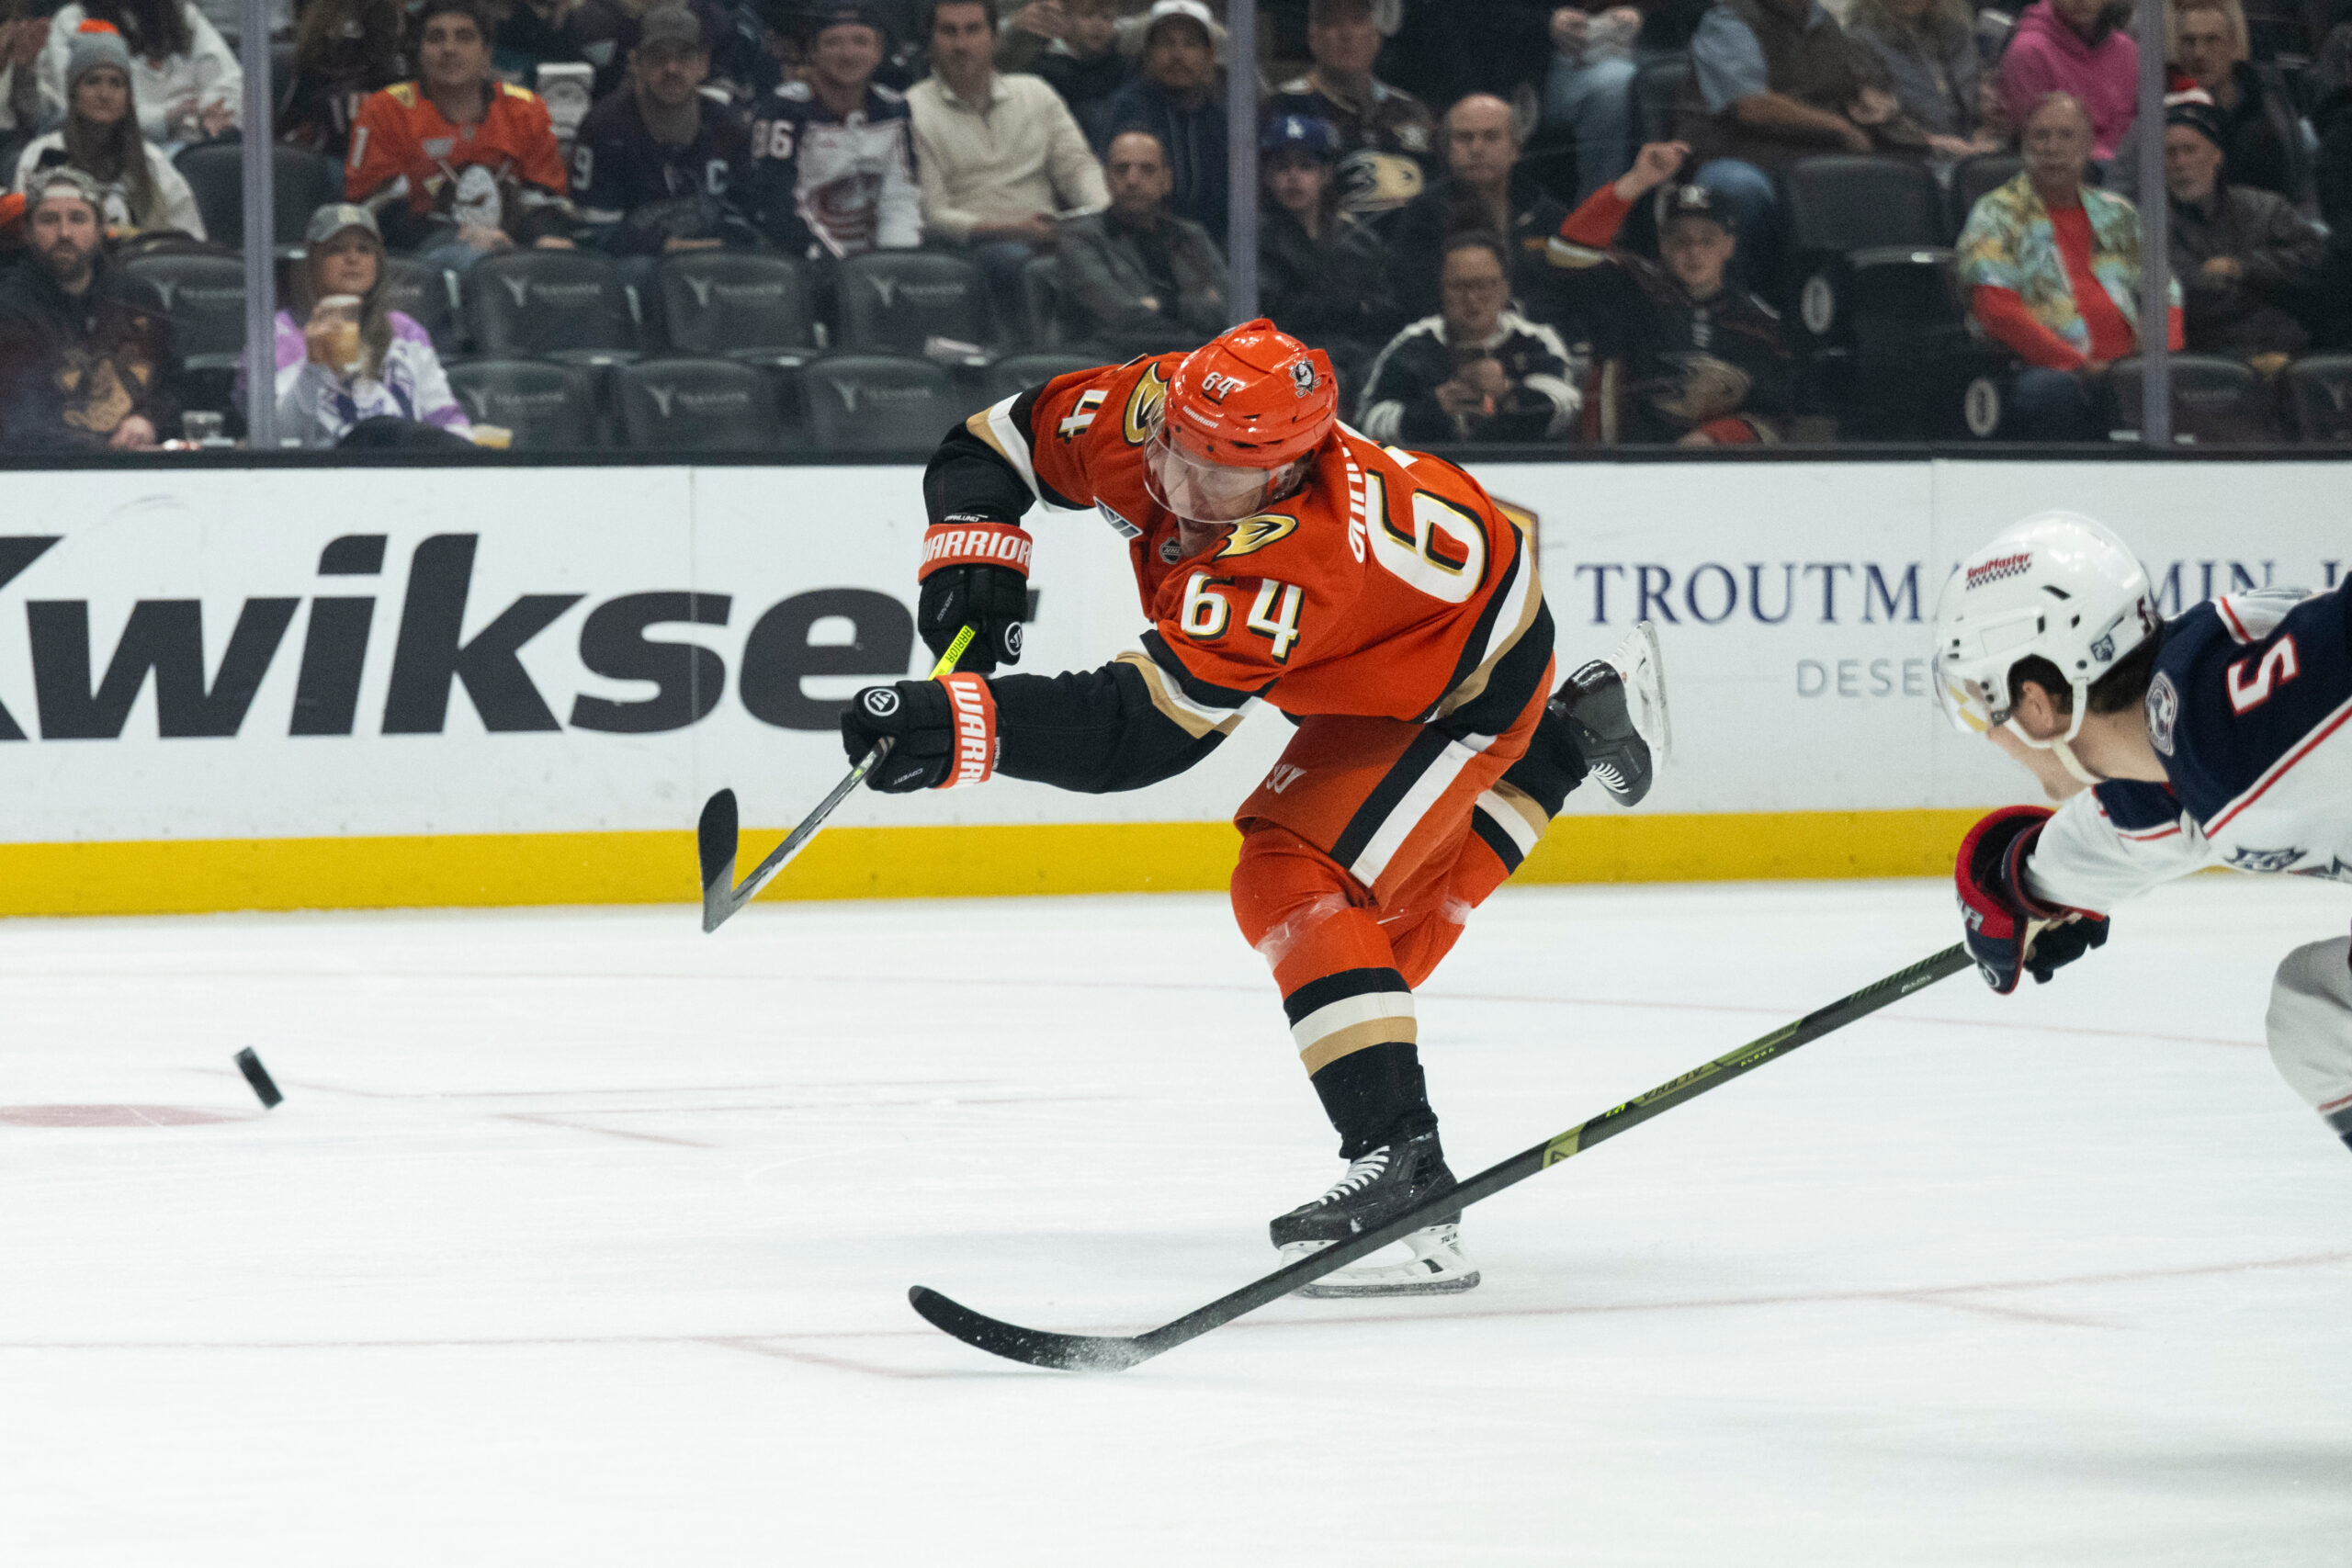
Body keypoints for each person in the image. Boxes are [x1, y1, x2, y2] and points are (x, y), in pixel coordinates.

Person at [838, 316, 1667, 1295]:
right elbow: (996, 440)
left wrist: (963, 727)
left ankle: (1405, 1165)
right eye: (1175, 455)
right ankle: (1567, 744)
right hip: (1375, 654)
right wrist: (976, 559)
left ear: (1288, 472)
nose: (1182, 495)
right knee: (1360, 964)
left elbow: (1136, 732)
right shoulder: (1150, 411)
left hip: (1459, 681)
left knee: (1303, 898)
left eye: (1220, 480)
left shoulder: (1294, 556)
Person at [1932, 511, 2352, 1164]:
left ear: (2037, 703)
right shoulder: (2186, 712)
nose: (1987, 732)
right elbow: (2146, 817)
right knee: (2315, 1012)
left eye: (1981, 706)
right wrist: (2022, 882)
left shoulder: (2233, 745)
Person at [1956, 93, 2180, 440]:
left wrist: (2161, 354)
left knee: (2189, 383)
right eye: (2041, 136)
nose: (2052, 147)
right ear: (2023, 146)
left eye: (2065, 135)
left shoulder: (2117, 212)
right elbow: (1994, 309)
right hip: (2043, 368)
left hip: (2128, 368)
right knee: (2053, 391)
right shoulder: (1996, 213)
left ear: (2090, 144)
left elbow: (2166, 290)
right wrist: (2080, 365)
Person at [1548, 141, 1790, 444]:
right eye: (1680, 240)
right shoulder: (1629, 285)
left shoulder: (1759, 324)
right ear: (1662, 244)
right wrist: (1637, 181)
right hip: (1621, 471)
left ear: (1729, 245)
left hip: (1722, 477)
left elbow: (1781, 417)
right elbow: (1565, 253)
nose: (1693, 252)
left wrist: (1717, 438)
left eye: (1707, 240)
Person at [908, 0, 1109, 327]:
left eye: (973, 30)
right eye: (948, 32)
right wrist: (1012, 231)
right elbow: (933, 214)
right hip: (972, 250)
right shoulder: (912, 109)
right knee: (1021, 262)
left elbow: (1078, 168)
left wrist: (1106, 215)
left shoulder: (1036, 93)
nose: (961, 44)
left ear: (995, 37)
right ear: (931, 41)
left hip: (1053, 236)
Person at [345, 0, 575, 270]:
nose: (449, 49)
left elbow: (544, 200)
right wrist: (457, 236)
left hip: (512, 247)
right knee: (474, 260)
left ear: (487, 53)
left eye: (464, 37)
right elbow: (379, 212)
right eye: (436, 38)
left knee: (568, 263)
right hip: (419, 258)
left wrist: (544, 237)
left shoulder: (526, 109)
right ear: (419, 53)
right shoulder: (385, 110)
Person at [1673, 0, 1876, 284]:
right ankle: (1739, 310)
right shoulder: (1728, 20)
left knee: (1884, 179)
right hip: (1737, 156)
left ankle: (1853, 305)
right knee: (1737, 187)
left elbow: (1849, 88)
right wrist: (1838, 125)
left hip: (1815, 158)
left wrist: (1870, 102)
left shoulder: (1824, 22)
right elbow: (1750, 104)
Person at [245, 204, 469, 449]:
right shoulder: (279, 335)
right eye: (336, 250)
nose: (353, 258)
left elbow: (447, 419)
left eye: (364, 249)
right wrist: (314, 365)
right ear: (313, 263)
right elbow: (277, 435)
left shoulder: (406, 331)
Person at [0, 168, 176, 450]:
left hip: (140, 465)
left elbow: (173, 384)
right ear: (28, 231)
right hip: (43, 475)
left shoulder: (137, 298)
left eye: (78, 218)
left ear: (100, 228)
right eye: (49, 220)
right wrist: (104, 450)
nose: (64, 233)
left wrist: (147, 420)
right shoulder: (8, 307)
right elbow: (17, 422)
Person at [1359, 231, 1580, 444]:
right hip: (1432, 472)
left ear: (1504, 289)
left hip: (1523, 471)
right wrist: (1435, 407)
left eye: (1484, 285)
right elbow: (1369, 422)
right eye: (1458, 287)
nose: (1472, 298)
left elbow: (1567, 409)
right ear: (1441, 291)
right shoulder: (1413, 344)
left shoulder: (1535, 341)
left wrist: (1508, 392)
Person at [746, 2, 920, 268]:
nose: (848, 54)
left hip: (878, 266)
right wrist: (834, 264)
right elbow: (775, 207)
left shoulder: (895, 109)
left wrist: (894, 262)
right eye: (834, 42)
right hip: (807, 265)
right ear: (813, 51)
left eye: (861, 41)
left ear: (878, 51)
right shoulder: (784, 109)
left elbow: (901, 197)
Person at [571, 6, 755, 255]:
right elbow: (593, 233)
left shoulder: (729, 126)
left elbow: (747, 218)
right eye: (658, 57)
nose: (672, 69)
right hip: (633, 266)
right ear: (636, 63)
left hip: (715, 261)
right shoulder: (603, 127)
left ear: (703, 65)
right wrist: (670, 248)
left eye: (684, 57)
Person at [2164, 95, 2321, 369]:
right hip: (2204, 362)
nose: (2179, 162)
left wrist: (2243, 268)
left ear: (2217, 156)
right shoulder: (2153, 225)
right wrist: (2265, 287)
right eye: (2170, 153)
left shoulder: (2266, 208)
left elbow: (2315, 262)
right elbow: (2183, 299)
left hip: (2285, 351)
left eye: (2189, 150)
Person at [1387, 93, 1568, 326]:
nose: (1476, 148)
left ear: (1516, 148)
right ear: (1448, 150)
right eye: (1464, 138)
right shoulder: (1423, 215)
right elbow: (1415, 298)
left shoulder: (1546, 214)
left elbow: (1566, 296)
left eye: (1491, 137)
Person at [15, 21, 206, 241]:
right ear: (73, 90)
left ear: (130, 96)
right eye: (93, 81)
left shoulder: (153, 163)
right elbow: (23, 234)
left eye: (116, 83)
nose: (104, 94)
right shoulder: (42, 155)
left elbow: (190, 242)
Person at [1257, 112, 1394, 392]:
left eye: (1306, 166)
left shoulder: (1359, 238)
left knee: (1383, 376)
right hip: (1288, 355)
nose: (1293, 178)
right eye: (1282, 168)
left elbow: (1385, 307)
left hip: (1357, 351)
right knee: (1324, 382)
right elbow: (1277, 313)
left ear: (1325, 174)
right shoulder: (1253, 240)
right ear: (1267, 176)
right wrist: (1350, 306)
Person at [1265, 0, 1437, 224]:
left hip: (1407, 249)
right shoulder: (1282, 106)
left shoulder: (1412, 111)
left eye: (1358, 20)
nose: (1346, 34)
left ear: (1376, 34)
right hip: (1322, 253)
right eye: (1331, 23)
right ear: (1313, 37)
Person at [1057, 128, 1227, 354]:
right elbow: (1121, 316)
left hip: (1197, 362)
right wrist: (1197, 313)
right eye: (1121, 169)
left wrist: (1164, 305)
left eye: (1147, 169)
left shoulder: (1190, 236)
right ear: (1107, 178)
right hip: (1114, 366)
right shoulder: (1080, 238)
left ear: (1166, 181)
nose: (1132, 180)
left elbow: (1231, 308)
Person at [39, 0, 240, 152]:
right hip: (114, 151)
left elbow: (230, 81)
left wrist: (205, 114)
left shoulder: (181, 13)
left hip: (193, 146)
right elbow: (80, 105)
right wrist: (165, 118)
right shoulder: (72, 22)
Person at [1101, 0, 1227, 241]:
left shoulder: (1220, 119)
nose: (1178, 55)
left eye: (1190, 44)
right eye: (1167, 43)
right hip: (1137, 239)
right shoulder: (1126, 108)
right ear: (1148, 52)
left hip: (1211, 246)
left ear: (1209, 55)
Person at [2165, 0, 2309, 207]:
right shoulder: (2161, 113)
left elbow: (2300, 186)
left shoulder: (2270, 110)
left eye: (2212, 40)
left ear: (2234, 47)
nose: (2199, 53)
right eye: (2189, 41)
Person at [1843, 0, 2002, 158]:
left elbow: (1977, 96)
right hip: (1904, 160)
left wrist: (1987, 130)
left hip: (1969, 154)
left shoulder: (1955, 33)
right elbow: (1877, 118)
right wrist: (1933, 142)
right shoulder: (1860, 43)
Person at [1996, 0, 2137, 163]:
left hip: (2129, 173)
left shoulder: (2128, 51)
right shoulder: (2028, 51)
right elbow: (2037, 140)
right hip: (2056, 172)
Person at [277, 0, 406, 161]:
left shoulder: (398, 19)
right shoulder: (321, 21)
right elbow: (297, 104)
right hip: (327, 144)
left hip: (381, 142)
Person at [1542, 3, 1641, 201]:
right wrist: (1547, 23)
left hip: (1637, 51)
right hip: (1543, 64)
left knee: (1628, 80)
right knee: (1615, 84)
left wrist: (1639, 14)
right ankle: (1599, 210)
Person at [1030, 0, 1125, 145]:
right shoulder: (1044, 69)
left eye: (1106, 17)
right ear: (1066, 20)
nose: (1098, 25)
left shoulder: (1122, 66)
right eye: (1087, 16)